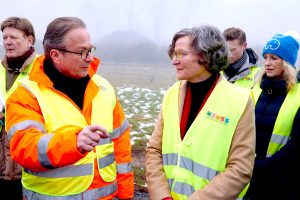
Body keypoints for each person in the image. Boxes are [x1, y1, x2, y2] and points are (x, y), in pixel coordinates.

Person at [5, 17, 133, 199]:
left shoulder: (103, 87)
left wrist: (126, 195)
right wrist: (73, 143)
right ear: (56, 55)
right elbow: (25, 148)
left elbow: (121, 145)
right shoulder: (26, 94)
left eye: (90, 49)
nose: (90, 58)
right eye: (82, 52)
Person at [146, 25, 256, 200]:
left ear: (206, 55)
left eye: (182, 54)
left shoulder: (240, 101)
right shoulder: (172, 94)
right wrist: (162, 196)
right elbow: (154, 150)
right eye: (174, 54)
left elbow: (240, 169)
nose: (174, 60)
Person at [246, 34, 300, 200]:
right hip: (247, 176)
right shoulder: (255, 90)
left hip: (281, 182)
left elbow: (296, 145)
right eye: (265, 57)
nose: (267, 63)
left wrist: (264, 166)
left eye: (274, 58)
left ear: (287, 62)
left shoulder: (298, 96)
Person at [0, 16, 37, 199]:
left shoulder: (43, 72)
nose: (8, 42)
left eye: (13, 37)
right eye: (5, 38)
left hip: (28, 168)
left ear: (29, 40)